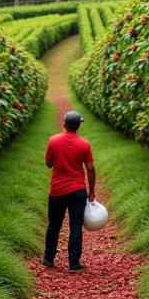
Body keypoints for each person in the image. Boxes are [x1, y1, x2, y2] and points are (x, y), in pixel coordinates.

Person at [42, 110, 96, 272]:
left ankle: (48, 259)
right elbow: (91, 169)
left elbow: (49, 164)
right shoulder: (84, 144)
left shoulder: (53, 140)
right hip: (77, 190)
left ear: (64, 124)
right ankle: (74, 263)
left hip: (57, 190)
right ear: (78, 125)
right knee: (75, 226)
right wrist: (91, 191)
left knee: (54, 225)